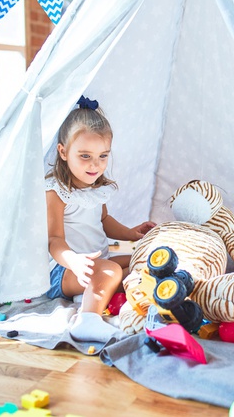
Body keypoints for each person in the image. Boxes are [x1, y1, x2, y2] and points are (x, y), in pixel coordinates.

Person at [45, 96, 155, 341]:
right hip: (65, 271)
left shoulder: (96, 187)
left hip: (100, 262)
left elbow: (104, 220)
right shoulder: (56, 192)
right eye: (85, 156)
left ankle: (94, 292)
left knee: (143, 261)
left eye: (103, 156)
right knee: (112, 271)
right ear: (63, 152)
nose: (95, 165)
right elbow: (53, 240)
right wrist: (73, 260)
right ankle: (87, 320)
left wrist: (131, 233)